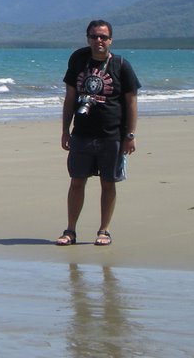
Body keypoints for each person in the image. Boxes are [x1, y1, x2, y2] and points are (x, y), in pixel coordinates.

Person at [56, 19, 140, 247]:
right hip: (82, 133)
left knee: (108, 183)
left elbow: (132, 102)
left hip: (111, 135)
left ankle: (104, 230)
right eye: (94, 36)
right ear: (88, 39)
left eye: (103, 37)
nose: (98, 41)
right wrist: (65, 130)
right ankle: (70, 230)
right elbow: (70, 97)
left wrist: (130, 135)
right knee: (76, 181)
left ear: (110, 40)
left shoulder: (122, 65)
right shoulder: (78, 60)